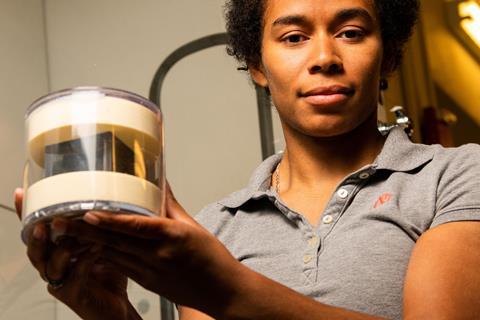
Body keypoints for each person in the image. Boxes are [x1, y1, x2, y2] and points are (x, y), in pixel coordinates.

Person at [15, 0, 480, 319]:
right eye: (294, 37)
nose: (324, 56)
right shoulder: (215, 228)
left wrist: (225, 288)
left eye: (351, 32)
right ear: (257, 64)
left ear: (390, 55)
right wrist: (109, 312)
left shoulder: (455, 176)